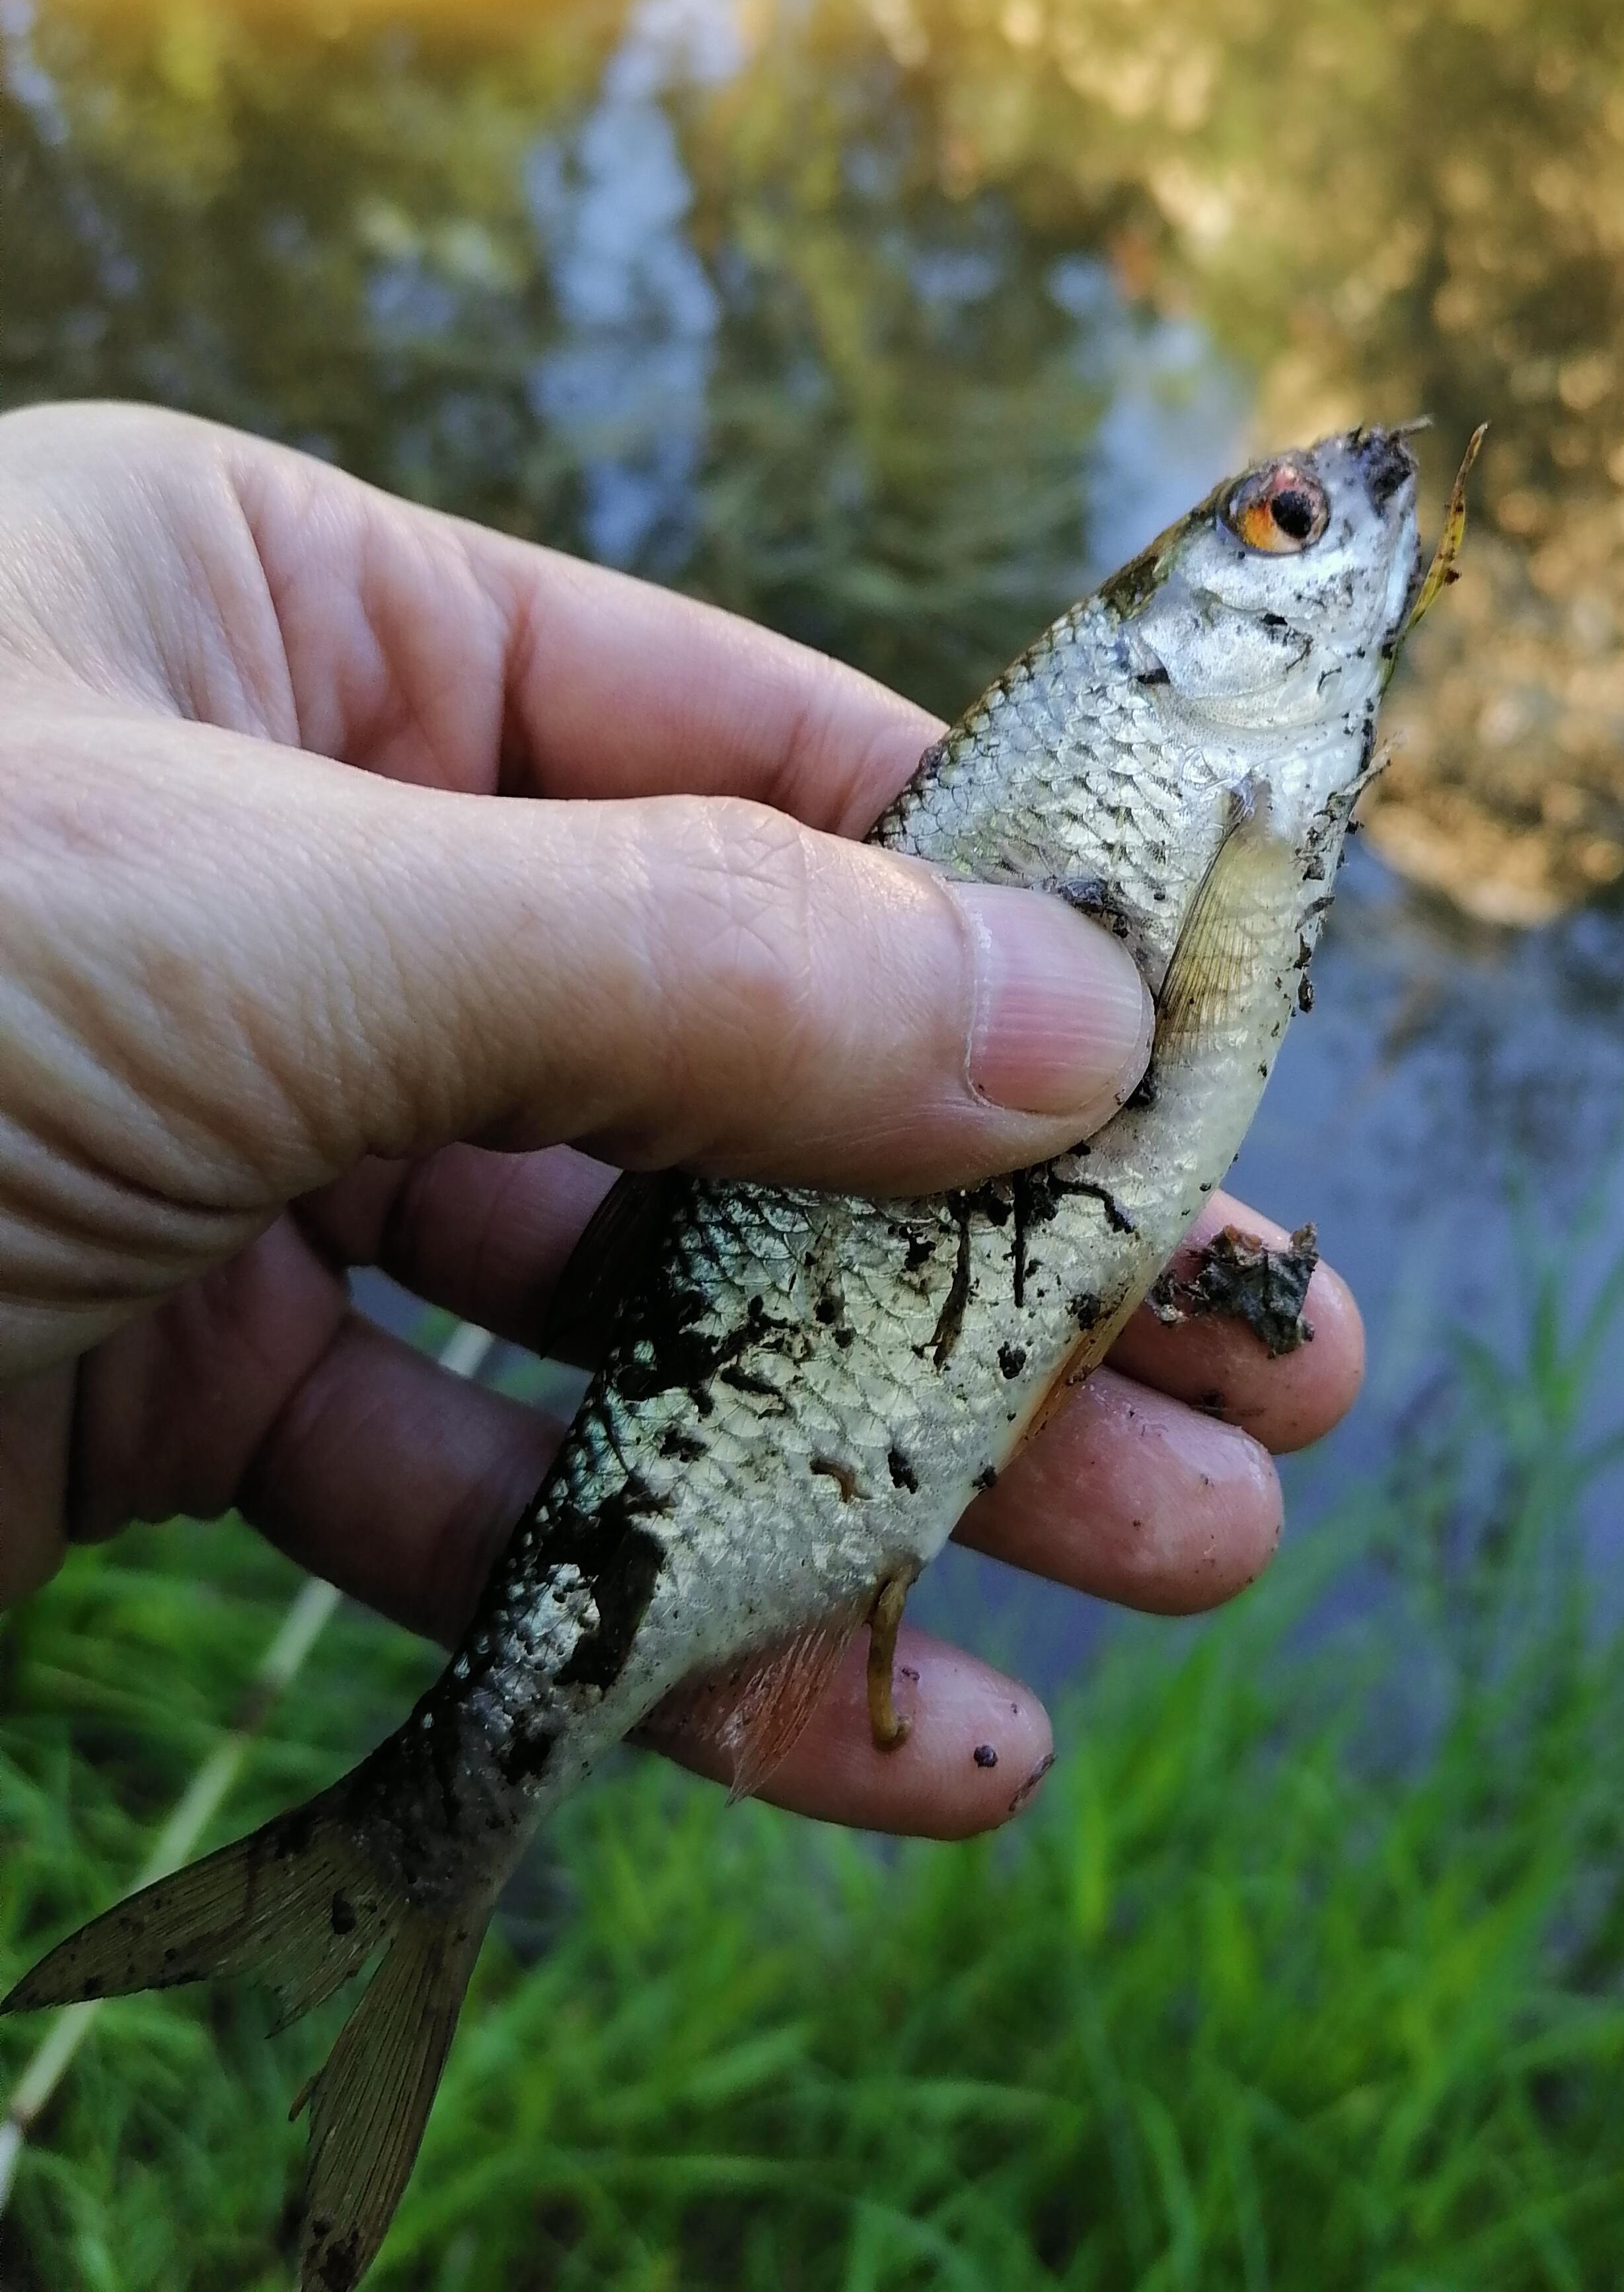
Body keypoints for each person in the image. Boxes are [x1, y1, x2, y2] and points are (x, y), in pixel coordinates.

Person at [0, 400, 1364, 1837]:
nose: (1336, 513)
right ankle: (447, 1811)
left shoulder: (1258, 763)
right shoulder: (1186, 748)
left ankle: (448, 1806)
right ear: (1180, 620)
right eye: (1284, 520)